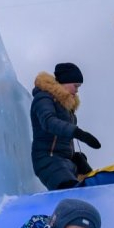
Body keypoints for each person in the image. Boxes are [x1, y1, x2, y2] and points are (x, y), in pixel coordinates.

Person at [29, 62, 101, 190]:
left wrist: (75, 158)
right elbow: (48, 122)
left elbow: (62, 140)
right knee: (70, 191)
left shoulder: (67, 107)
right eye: (76, 85)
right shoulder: (44, 98)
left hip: (65, 161)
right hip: (48, 160)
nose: (77, 90)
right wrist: (79, 133)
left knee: (91, 187)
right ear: (65, 82)